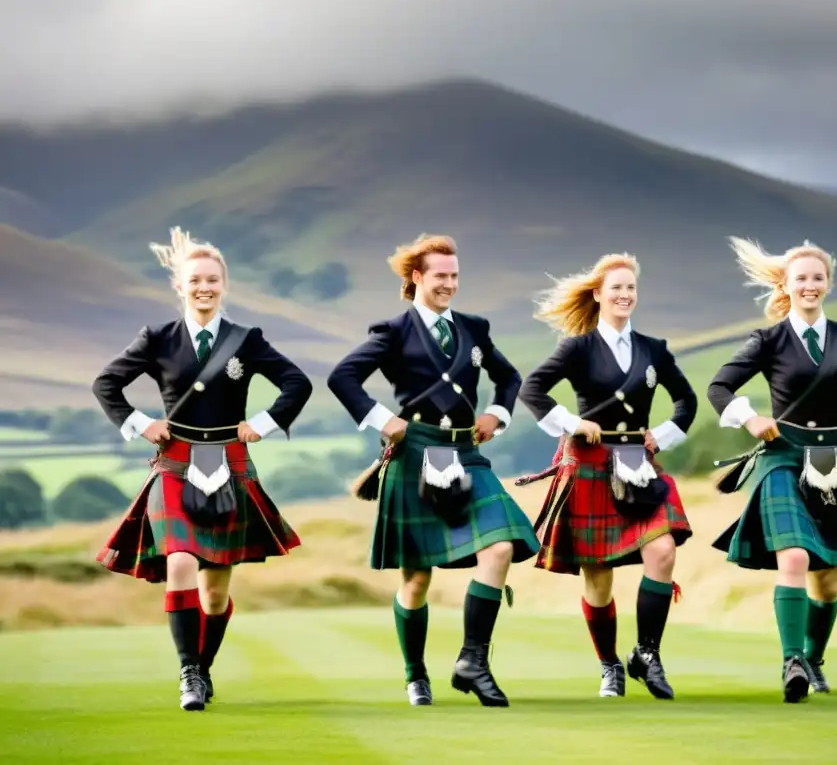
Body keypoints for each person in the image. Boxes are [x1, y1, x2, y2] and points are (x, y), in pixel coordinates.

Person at [92, 227, 313, 712]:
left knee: (215, 593)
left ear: (223, 284)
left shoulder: (245, 340)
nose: (204, 288)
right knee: (180, 560)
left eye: (212, 280)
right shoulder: (158, 339)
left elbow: (297, 383)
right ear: (180, 286)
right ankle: (188, 673)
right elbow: (106, 383)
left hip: (231, 465)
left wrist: (261, 423)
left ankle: (203, 668)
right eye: (195, 280)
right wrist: (139, 422)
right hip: (175, 464)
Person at [327, 233, 540, 708]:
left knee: (501, 545)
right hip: (416, 453)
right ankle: (415, 673)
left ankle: (473, 661)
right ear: (417, 277)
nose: (449, 284)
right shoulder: (393, 332)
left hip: (466, 452)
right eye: (440, 276)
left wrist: (497, 415)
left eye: (455, 275)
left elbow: (508, 377)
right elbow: (342, 377)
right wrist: (384, 420)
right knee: (417, 579)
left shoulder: (474, 328)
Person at [706, 237, 837, 703]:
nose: (810, 285)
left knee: (828, 576)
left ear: (828, 284)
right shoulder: (769, 339)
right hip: (783, 456)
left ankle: (815, 659)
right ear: (786, 284)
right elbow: (719, 385)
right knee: (796, 557)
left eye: (817, 278)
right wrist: (750, 417)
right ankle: (792, 661)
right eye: (801, 278)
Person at [516, 253, 697, 700]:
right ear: (597, 294)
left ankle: (647, 654)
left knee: (663, 549)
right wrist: (572, 424)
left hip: (639, 463)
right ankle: (609, 665)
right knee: (597, 576)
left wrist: (664, 434)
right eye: (616, 288)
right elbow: (531, 389)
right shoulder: (577, 348)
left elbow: (686, 401)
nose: (624, 295)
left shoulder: (655, 349)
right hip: (591, 465)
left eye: (631, 288)